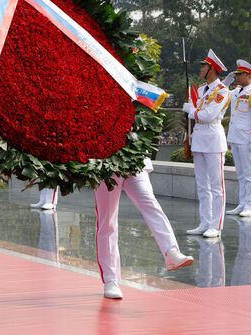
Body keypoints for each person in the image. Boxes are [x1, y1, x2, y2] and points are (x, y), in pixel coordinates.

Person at [94, 158, 194, 299]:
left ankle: (171, 251)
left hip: (135, 160)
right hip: (105, 165)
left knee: (149, 201)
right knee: (107, 221)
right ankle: (111, 279)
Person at [182, 49, 231, 238]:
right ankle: (205, 222)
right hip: (200, 138)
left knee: (217, 186)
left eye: (204, 66)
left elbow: (209, 116)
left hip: (213, 139)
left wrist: (192, 111)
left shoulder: (222, 91)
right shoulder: (203, 89)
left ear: (212, 69)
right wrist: (193, 112)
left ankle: (216, 226)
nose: (201, 68)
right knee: (202, 185)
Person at [225, 60, 251, 218]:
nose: (237, 77)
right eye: (236, 75)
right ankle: (242, 203)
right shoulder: (235, 92)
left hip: (247, 140)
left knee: (249, 174)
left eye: (240, 74)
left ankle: (250, 205)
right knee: (240, 174)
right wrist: (226, 82)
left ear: (249, 75)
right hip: (235, 137)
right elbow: (217, 93)